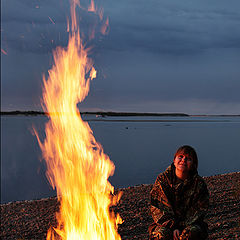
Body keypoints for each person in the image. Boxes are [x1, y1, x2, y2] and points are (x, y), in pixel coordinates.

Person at [149, 145, 209, 240]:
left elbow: (199, 211)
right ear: (174, 160)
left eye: (188, 159)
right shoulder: (163, 180)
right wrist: (173, 227)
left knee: (189, 234)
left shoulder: (199, 184)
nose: (183, 160)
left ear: (193, 164)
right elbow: (158, 208)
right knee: (161, 235)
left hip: (190, 224)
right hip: (166, 224)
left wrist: (181, 228)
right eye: (180, 157)